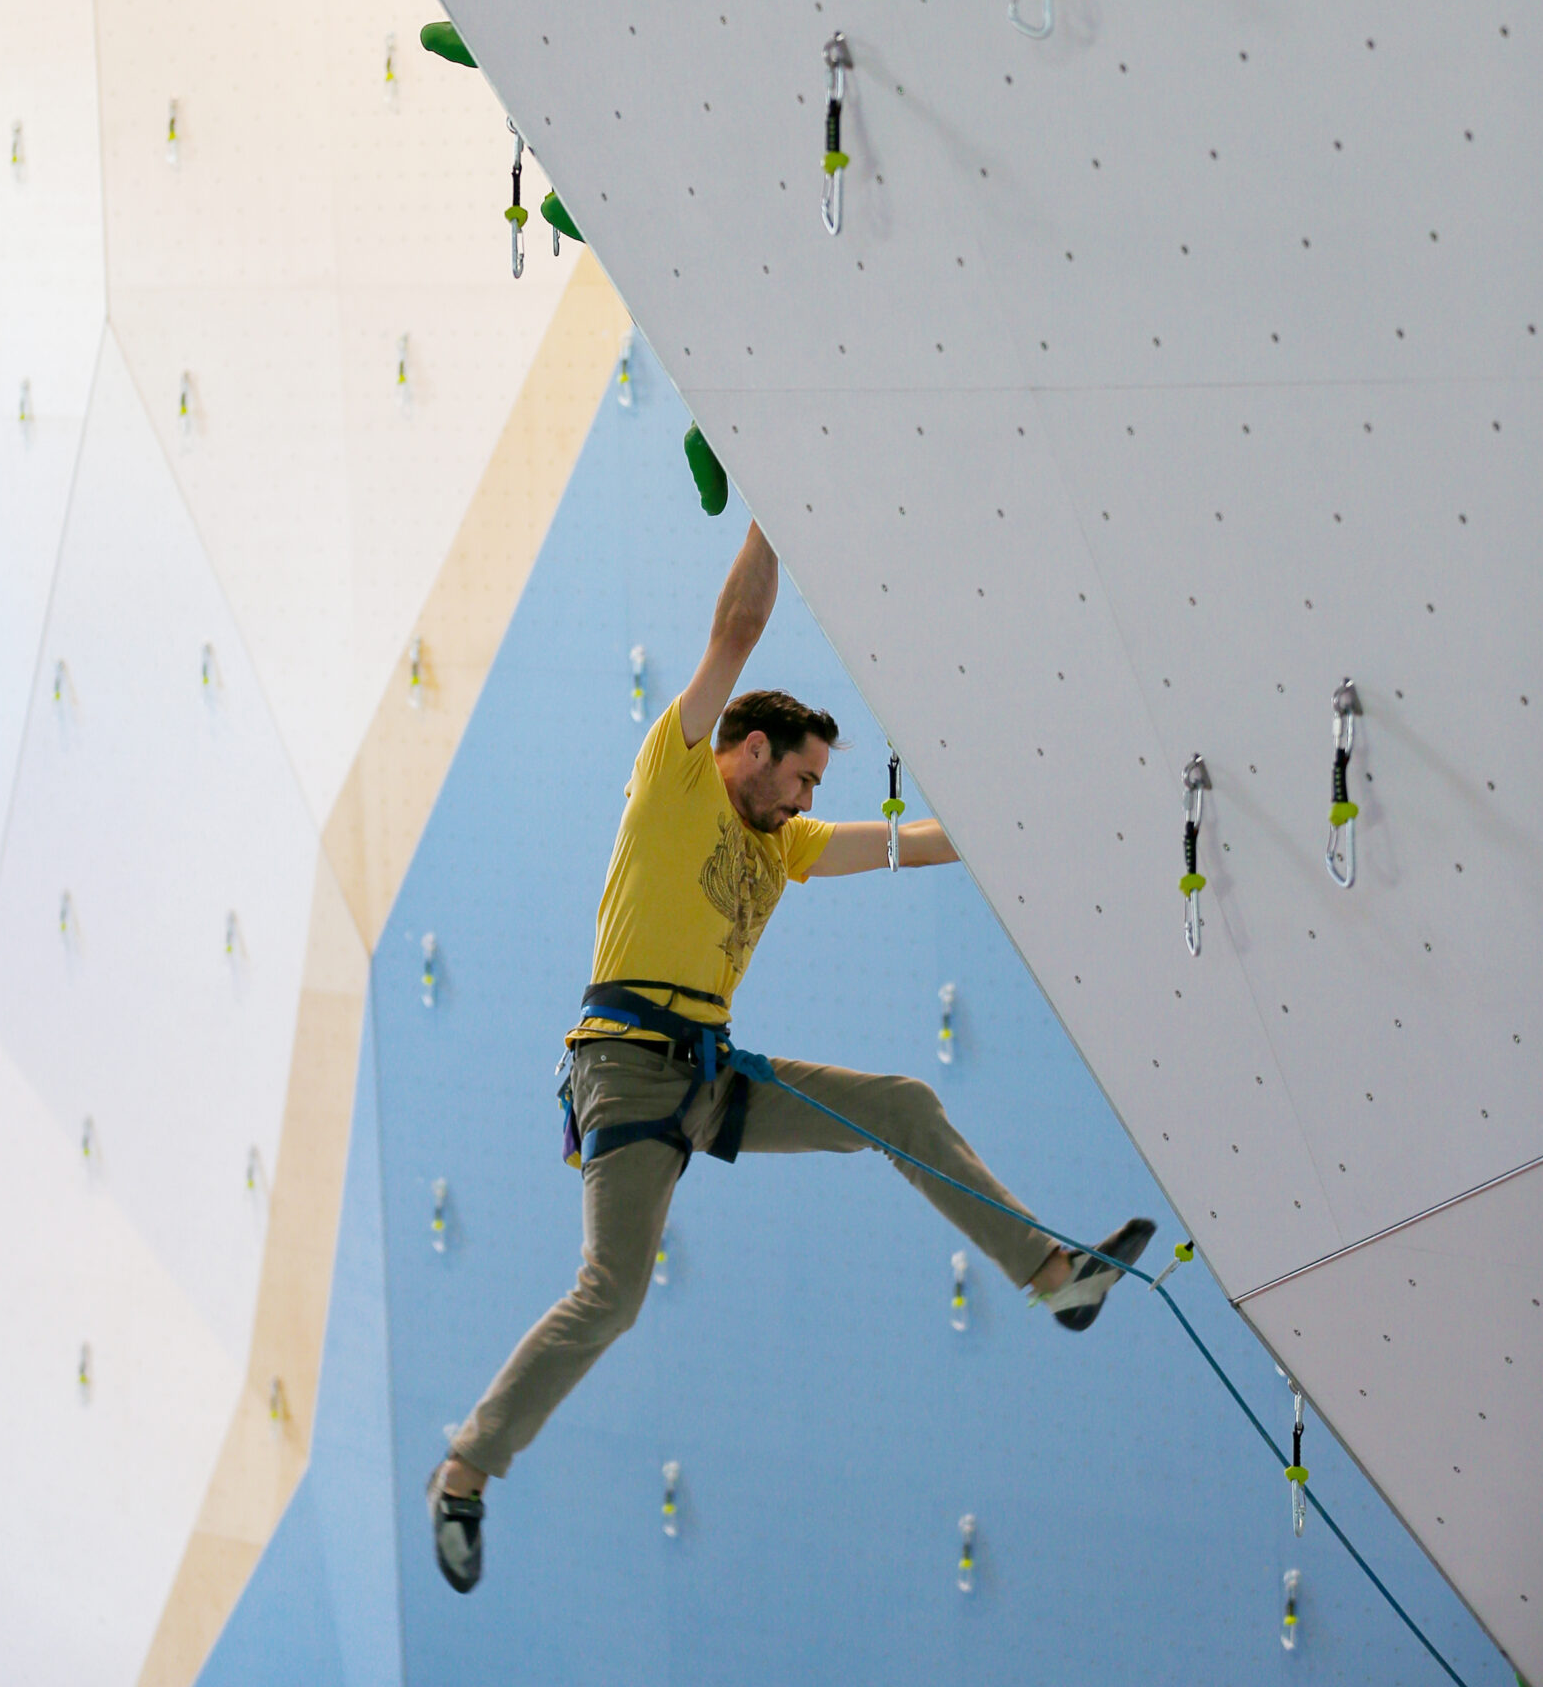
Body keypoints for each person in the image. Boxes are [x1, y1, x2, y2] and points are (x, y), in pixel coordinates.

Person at [428, 521, 1152, 1592]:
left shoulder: (786, 842)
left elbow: (915, 843)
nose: (811, 801)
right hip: (625, 1067)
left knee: (900, 1105)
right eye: (804, 777)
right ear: (751, 749)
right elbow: (738, 625)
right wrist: (769, 507)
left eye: (817, 787)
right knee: (613, 1292)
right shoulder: (675, 778)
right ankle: (465, 1471)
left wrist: (1030, 823)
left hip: (711, 1079)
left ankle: (1051, 1279)